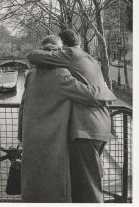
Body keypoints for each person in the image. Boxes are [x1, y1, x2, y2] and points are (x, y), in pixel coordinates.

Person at [19, 35, 116, 203]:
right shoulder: (61, 73)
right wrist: (107, 91)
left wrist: (21, 136)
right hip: (55, 138)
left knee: (35, 182)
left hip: (32, 136)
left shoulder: (30, 74)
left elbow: (22, 106)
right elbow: (89, 94)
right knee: (60, 183)